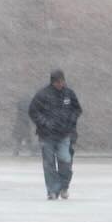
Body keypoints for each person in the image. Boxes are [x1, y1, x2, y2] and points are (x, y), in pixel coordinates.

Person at [28, 69, 83, 200]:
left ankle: (63, 186)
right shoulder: (42, 95)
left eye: (62, 81)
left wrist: (71, 120)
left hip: (65, 134)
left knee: (65, 160)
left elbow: (77, 110)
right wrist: (45, 123)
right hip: (47, 135)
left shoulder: (69, 94)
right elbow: (33, 111)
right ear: (53, 82)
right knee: (49, 164)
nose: (61, 84)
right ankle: (52, 190)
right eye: (58, 82)